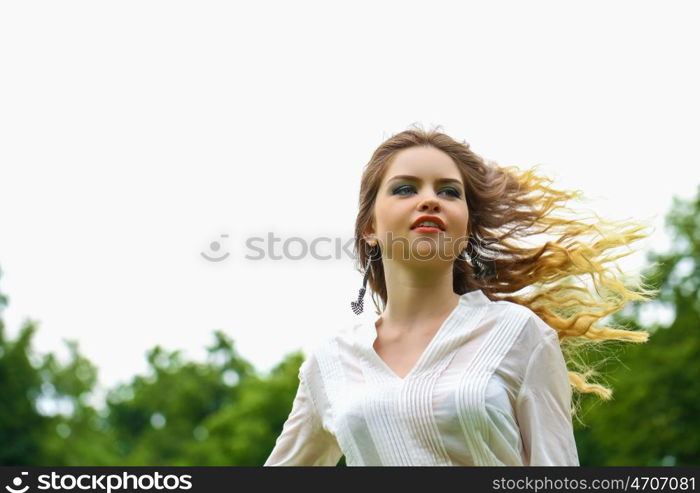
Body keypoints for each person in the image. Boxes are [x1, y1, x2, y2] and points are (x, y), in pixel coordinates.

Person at [264, 125, 656, 466]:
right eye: (405, 188)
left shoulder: (520, 335)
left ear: (466, 227)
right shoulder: (329, 363)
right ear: (369, 227)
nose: (430, 199)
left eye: (450, 192)